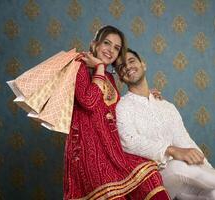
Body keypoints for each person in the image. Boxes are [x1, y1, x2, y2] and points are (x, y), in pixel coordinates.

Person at [115, 48, 215, 200]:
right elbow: (128, 141)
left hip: (185, 180)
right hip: (154, 179)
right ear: (120, 76)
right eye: (122, 66)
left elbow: (186, 142)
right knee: (178, 165)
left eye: (131, 61)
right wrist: (170, 150)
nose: (128, 67)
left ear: (143, 65)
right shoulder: (123, 106)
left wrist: (211, 171)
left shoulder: (166, 106)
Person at [63, 26, 171, 200]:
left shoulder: (109, 77)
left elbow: (114, 109)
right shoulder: (78, 66)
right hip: (87, 152)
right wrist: (98, 66)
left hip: (112, 149)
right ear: (94, 44)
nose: (111, 50)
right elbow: (89, 102)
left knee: (149, 176)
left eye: (116, 48)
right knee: (111, 195)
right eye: (107, 43)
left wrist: (145, 95)